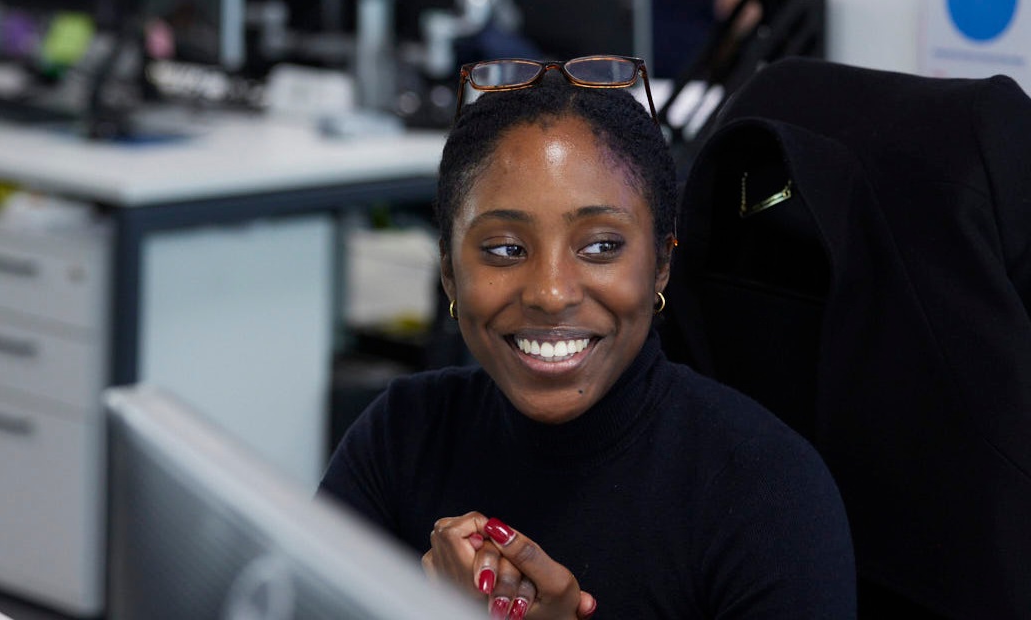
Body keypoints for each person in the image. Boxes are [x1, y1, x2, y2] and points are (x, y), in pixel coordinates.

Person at [318, 58, 855, 619]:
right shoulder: (401, 437)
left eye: (601, 246)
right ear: (450, 274)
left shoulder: (769, 496)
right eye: (505, 249)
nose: (551, 293)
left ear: (662, 266)